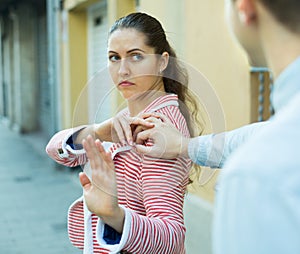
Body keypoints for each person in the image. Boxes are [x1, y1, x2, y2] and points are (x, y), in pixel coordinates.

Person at [130, 1, 300, 253]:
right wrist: (185, 146)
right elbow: (260, 135)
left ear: (245, 7)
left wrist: (115, 217)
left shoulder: (255, 179)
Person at [46, 12, 203, 254]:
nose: (123, 71)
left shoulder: (156, 130)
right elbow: (57, 152)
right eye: (114, 58)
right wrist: (97, 131)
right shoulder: (129, 119)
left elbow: (171, 236)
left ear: (163, 62)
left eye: (136, 56)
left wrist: (115, 216)